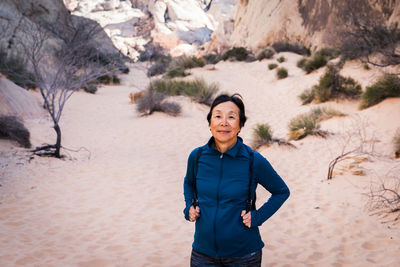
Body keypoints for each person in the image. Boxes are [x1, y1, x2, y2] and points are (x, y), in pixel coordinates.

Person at [183, 93, 290, 266]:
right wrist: (189, 207)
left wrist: (258, 217)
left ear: (240, 125)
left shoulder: (253, 160)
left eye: (231, 117)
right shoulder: (197, 156)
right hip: (202, 254)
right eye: (218, 116)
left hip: (244, 255)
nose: (224, 122)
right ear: (210, 122)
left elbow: (281, 191)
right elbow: (189, 183)